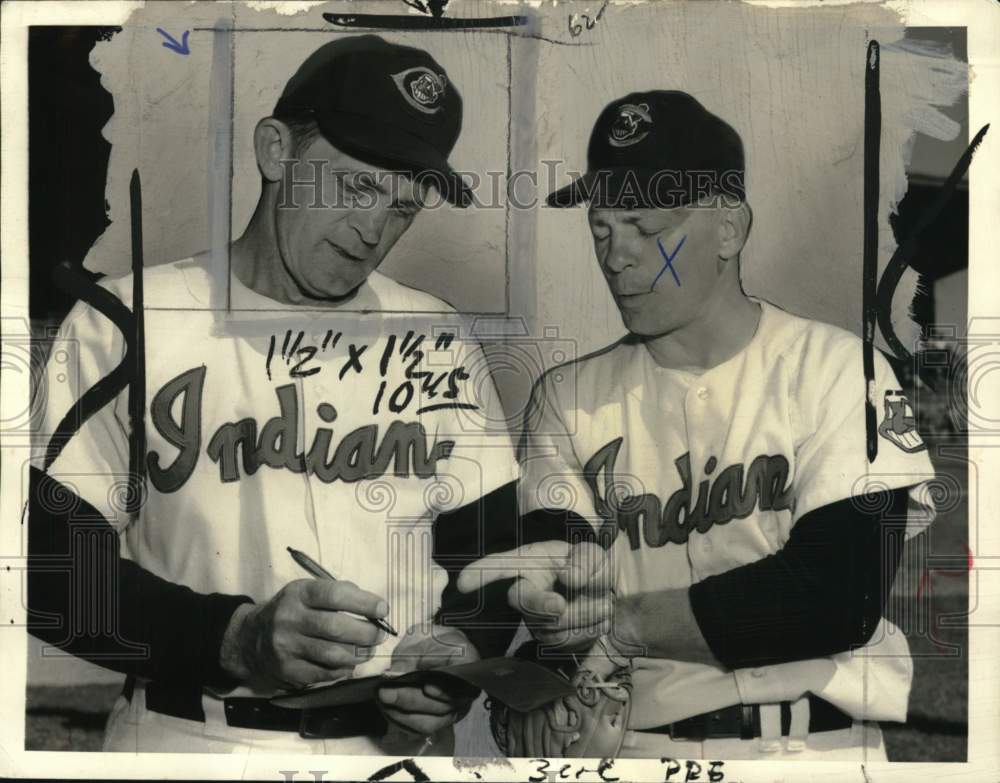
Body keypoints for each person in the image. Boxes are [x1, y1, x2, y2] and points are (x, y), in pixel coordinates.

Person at [29, 35, 531, 755]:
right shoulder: (128, 319)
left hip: (389, 755)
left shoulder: (437, 338)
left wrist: (456, 651)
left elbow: (490, 555)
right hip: (190, 741)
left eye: (403, 208)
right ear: (275, 151)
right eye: (356, 187)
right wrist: (235, 638)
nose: (373, 229)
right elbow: (49, 566)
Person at [458, 91, 937, 760]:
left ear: (730, 229)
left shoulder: (837, 369)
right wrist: (558, 614)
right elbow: (563, 578)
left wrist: (620, 622)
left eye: (646, 227)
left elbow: (837, 596)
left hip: (818, 750)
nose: (617, 256)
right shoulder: (566, 398)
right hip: (642, 751)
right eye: (602, 228)